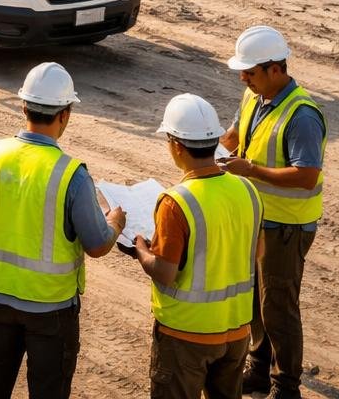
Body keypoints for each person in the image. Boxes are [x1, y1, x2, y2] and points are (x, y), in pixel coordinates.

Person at [0, 63, 127, 399]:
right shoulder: (72, 175)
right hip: (50, 308)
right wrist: (114, 222)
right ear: (65, 115)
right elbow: (97, 244)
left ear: (23, 106)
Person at [217, 27, 326, 399]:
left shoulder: (302, 115)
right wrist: (212, 143)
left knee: (278, 307)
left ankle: (286, 385)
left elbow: (307, 175)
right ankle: (259, 370)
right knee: (256, 302)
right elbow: (234, 137)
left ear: (275, 69)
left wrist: (252, 170)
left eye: (249, 72)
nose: (242, 78)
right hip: (258, 220)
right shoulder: (255, 97)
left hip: (287, 227)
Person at [134, 94, 262, 399]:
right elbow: (257, 253)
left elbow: (165, 273)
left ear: (177, 145)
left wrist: (140, 248)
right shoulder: (247, 189)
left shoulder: (176, 202)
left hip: (186, 335)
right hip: (236, 332)